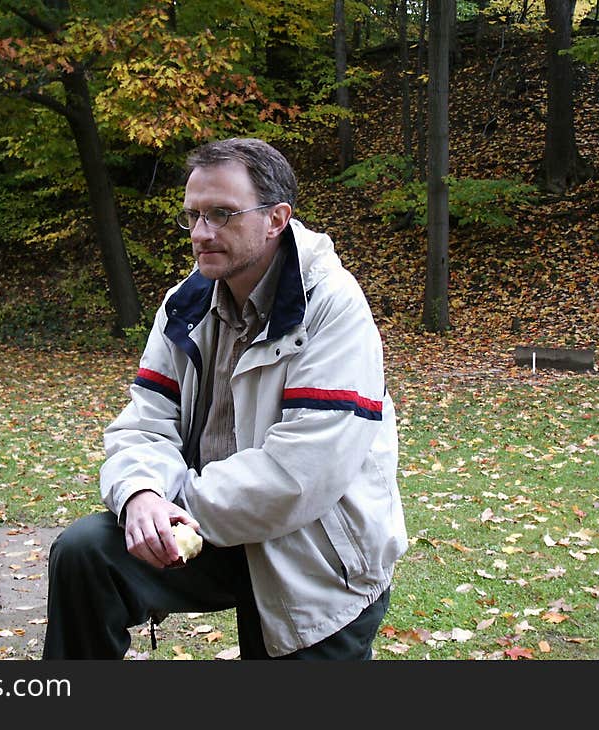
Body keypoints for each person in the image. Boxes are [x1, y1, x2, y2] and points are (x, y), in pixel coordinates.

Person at [42, 137, 407, 660]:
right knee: (85, 555)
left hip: (312, 552)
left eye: (221, 214)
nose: (201, 233)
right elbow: (146, 421)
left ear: (277, 218)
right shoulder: (185, 302)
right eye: (192, 215)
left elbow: (301, 473)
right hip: (207, 528)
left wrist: (176, 506)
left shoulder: (332, 306)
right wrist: (142, 494)